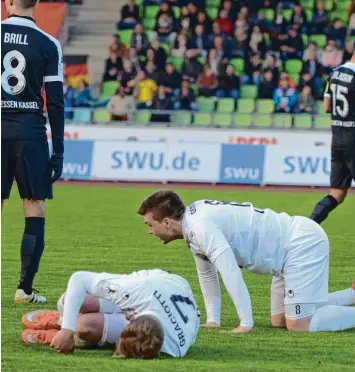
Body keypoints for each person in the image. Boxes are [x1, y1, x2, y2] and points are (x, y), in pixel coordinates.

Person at [137, 190, 355, 334]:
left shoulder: (200, 226)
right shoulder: (192, 225)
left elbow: (229, 271)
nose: (148, 231)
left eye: (149, 224)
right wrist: (213, 319)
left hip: (300, 243)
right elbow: (207, 274)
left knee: (299, 325)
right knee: (279, 321)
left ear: (166, 222)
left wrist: (245, 323)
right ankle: (352, 295)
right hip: (283, 255)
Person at [2, 0, 64, 303]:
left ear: (7, 3)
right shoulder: (49, 43)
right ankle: (24, 290)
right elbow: (55, 102)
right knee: (34, 207)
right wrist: (59, 152)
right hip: (31, 135)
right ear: (36, 4)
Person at [23, 269, 200, 358]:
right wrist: (67, 330)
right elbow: (79, 278)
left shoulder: (173, 348)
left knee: (85, 327)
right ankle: (62, 321)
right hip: (143, 294)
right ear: (132, 319)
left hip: (155, 305)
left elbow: (133, 345)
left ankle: (74, 332)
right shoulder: (135, 291)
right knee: (72, 299)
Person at [309, 46, 355, 224]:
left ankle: (308, 226)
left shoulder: (334, 73)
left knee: (337, 192)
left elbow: (327, 107)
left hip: (337, 138)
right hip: (353, 137)